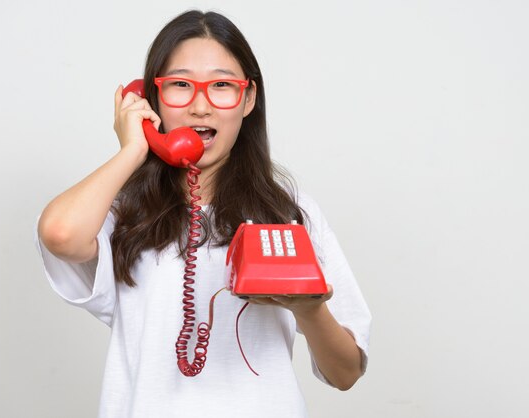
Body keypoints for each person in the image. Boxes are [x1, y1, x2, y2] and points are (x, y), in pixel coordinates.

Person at [36, 9, 371, 418]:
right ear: (151, 99)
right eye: (179, 85)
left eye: (222, 86)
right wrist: (132, 150)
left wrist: (309, 308)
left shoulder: (288, 209)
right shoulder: (120, 209)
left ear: (248, 99)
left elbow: (346, 372)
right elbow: (60, 234)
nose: (200, 106)